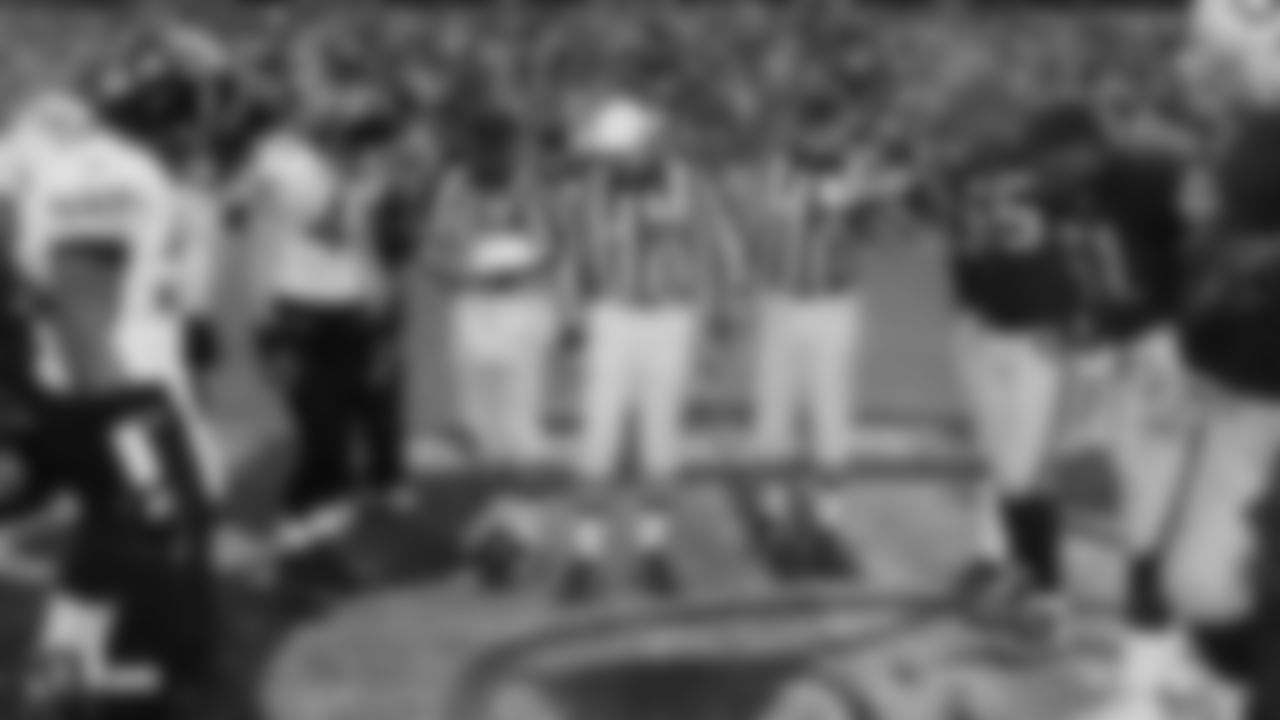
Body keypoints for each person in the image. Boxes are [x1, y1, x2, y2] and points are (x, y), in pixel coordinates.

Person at [0, 89, 221, 720]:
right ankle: (130, 686)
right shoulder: (106, 169)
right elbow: (80, 300)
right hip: (112, 389)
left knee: (116, 525)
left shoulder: (81, 166)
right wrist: (119, 421)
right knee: (160, 528)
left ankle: (66, 674)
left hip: (83, 382)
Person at [560, 93, 744, 600]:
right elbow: (572, 257)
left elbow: (721, 248)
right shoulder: (589, 191)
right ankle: (585, 554)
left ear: (649, 143)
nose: (618, 161)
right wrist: (570, 320)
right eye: (613, 153)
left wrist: (725, 311)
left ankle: (653, 550)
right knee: (597, 439)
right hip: (612, 317)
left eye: (627, 150)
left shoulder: (691, 186)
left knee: (661, 438)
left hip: (669, 319)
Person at [942, 105, 1099, 633]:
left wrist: (1076, 332)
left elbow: (1083, 276)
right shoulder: (985, 206)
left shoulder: (1058, 205)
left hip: (1036, 347)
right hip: (995, 337)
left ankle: (1048, 594)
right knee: (1004, 467)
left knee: (1023, 476)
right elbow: (977, 273)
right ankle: (1013, 568)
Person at [425, 101, 563, 589]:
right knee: (480, 428)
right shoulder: (454, 187)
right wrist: (469, 279)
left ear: (512, 149)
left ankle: (523, 536)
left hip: (522, 315)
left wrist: (519, 275)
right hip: (472, 314)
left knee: (520, 429)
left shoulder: (532, 187)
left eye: (501, 149)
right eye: (482, 149)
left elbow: (553, 249)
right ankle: (488, 534)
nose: (491, 158)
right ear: (471, 149)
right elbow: (434, 255)